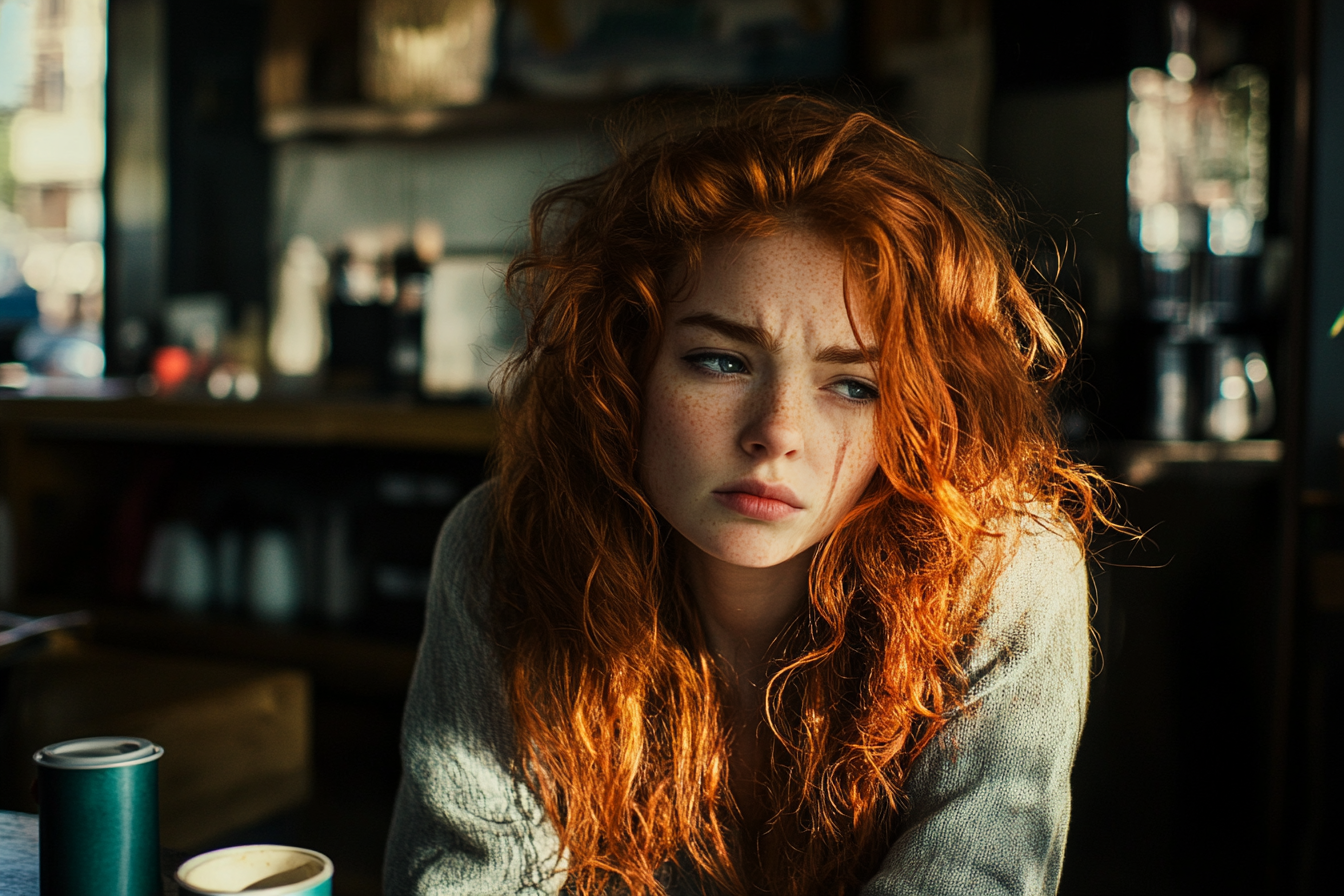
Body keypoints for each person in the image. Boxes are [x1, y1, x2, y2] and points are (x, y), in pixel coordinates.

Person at [384, 94, 1107, 896]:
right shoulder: (507, 546)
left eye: (854, 384)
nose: (777, 432)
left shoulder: (1002, 579)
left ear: (918, 414)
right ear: (627, 369)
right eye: (721, 362)